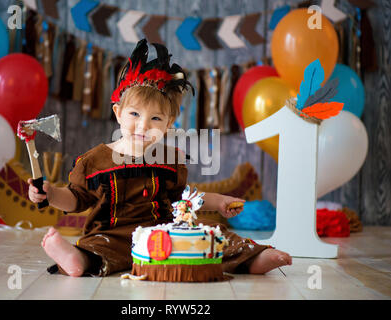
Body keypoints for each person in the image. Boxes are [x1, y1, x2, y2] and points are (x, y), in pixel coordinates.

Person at [28, 39, 292, 278]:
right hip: (112, 235)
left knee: (211, 233)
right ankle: (78, 260)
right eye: (134, 115)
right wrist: (51, 194)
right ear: (118, 113)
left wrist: (220, 201)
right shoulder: (95, 161)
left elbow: (183, 198)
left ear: (168, 123)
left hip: (164, 231)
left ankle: (253, 256)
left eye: (155, 118)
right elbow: (76, 199)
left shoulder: (168, 160)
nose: (143, 126)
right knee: (100, 248)